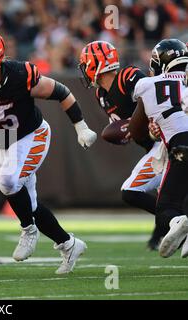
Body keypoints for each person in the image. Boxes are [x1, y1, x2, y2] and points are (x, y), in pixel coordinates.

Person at [0, 29, 96, 274]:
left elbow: (61, 92)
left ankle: (28, 230)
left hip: (30, 136)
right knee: (29, 203)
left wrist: (81, 126)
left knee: (8, 182)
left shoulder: (19, 75)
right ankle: (68, 244)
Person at [79, 40, 165, 250]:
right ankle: (171, 225)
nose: (83, 70)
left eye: (84, 64)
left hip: (164, 141)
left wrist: (141, 124)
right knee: (168, 195)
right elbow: (122, 127)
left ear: (94, 65)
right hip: (152, 146)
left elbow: (155, 100)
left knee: (135, 191)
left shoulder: (128, 77)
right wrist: (125, 132)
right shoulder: (101, 95)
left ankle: (175, 223)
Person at [129, 39, 188, 259]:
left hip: (181, 146)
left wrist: (152, 130)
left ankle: (177, 221)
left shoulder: (147, 84)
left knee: (166, 208)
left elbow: (136, 131)